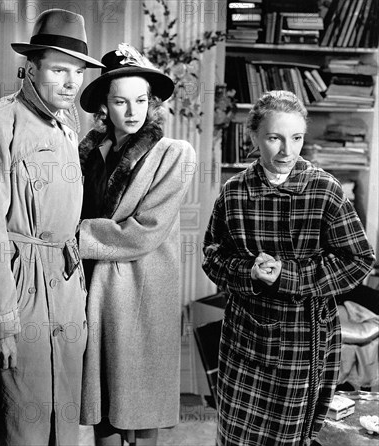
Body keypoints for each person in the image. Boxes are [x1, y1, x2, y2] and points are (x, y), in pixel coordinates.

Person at [0, 9, 104, 446]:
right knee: (20, 425)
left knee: (64, 423)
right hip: (19, 290)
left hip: (66, 292)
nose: (71, 82)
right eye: (59, 70)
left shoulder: (68, 129)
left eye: (77, 72)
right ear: (30, 69)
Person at [202, 90, 375, 446]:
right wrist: (247, 272)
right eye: (274, 138)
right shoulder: (233, 191)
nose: (287, 151)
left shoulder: (325, 190)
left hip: (303, 339)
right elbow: (212, 256)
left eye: (296, 138)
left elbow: (359, 261)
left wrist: (288, 276)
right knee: (235, 435)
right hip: (243, 338)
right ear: (253, 137)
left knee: (288, 439)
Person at [77, 43, 196, 446]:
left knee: (142, 410)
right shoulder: (86, 153)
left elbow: (145, 228)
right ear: (104, 107)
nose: (133, 111)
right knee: (104, 407)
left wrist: (75, 238)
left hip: (144, 288)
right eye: (121, 101)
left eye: (142, 100)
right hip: (96, 287)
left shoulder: (174, 154)